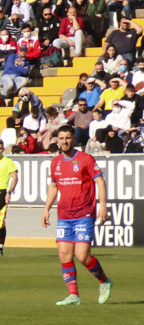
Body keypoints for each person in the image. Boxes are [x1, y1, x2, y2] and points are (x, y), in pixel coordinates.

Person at [41, 126, 112, 305]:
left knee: (82, 256)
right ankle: (74, 295)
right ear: (56, 140)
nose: (64, 141)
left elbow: (100, 181)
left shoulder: (85, 159)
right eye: (61, 138)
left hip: (84, 212)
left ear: (74, 140)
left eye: (67, 138)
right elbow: (54, 186)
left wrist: (103, 206)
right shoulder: (55, 162)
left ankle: (104, 281)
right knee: (64, 256)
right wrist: (46, 208)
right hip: (64, 214)